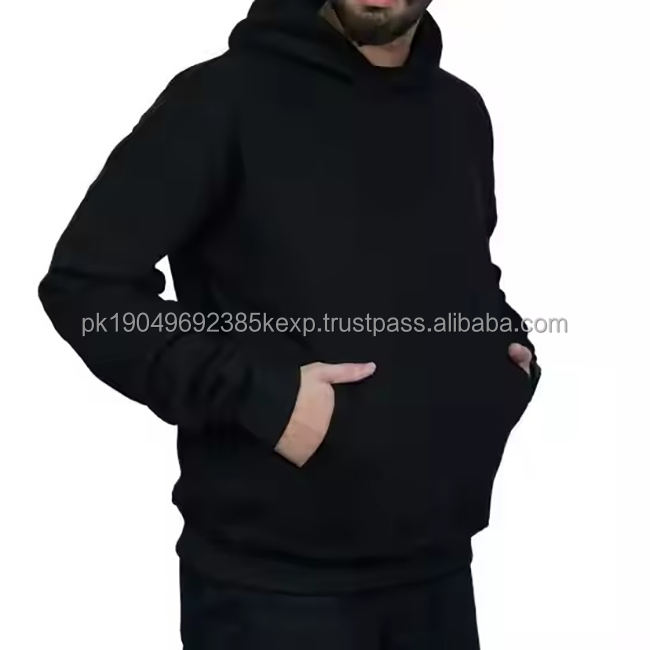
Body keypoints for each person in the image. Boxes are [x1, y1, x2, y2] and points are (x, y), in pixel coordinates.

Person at [38, 0, 542, 647]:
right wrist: (264, 395)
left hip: (439, 572)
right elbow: (87, 288)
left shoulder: (459, 112)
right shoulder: (220, 100)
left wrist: (499, 353)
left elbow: (462, 268)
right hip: (275, 593)